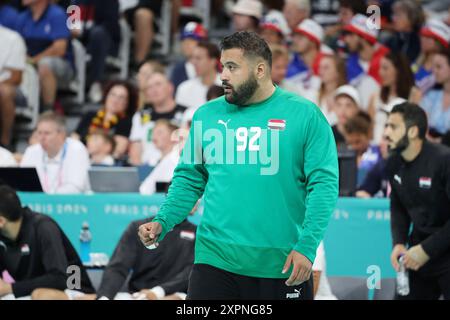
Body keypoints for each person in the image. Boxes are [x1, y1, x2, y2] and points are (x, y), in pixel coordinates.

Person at [138, 31, 339, 300]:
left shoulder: (305, 115)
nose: (224, 75)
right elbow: (189, 179)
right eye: (223, 66)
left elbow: (323, 185)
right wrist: (164, 220)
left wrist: (307, 246)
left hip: (282, 264)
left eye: (232, 67)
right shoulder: (207, 116)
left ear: (259, 70)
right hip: (215, 260)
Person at [385, 102, 450, 300]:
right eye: (386, 125)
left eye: (393, 127)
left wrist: (427, 250)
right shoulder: (393, 162)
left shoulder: (444, 160)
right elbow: (398, 206)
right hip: (417, 254)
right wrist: (398, 242)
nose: (386, 132)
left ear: (413, 131)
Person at [0, 185, 95, 300]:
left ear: (1, 221)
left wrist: (11, 288)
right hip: (30, 293)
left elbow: (59, 278)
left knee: (42, 296)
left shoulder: (44, 227)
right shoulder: (3, 237)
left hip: (74, 290)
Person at [15, 0, 73, 111]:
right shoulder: (21, 17)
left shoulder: (57, 14)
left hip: (61, 65)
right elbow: (16, 43)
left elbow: (60, 49)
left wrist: (33, 60)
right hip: (28, 62)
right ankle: (22, 107)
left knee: (45, 64)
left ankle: (48, 109)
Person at [21, 112, 90, 194]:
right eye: (39, 133)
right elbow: (23, 184)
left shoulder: (77, 149)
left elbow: (76, 187)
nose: (42, 138)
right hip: (38, 202)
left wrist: (48, 198)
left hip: (71, 203)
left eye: (47, 133)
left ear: (62, 135)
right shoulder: (31, 151)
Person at [129, 72, 186, 166]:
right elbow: (135, 151)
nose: (154, 90)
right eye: (149, 87)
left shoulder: (186, 113)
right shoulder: (141, 116)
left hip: (176, 169)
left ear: (170, 87)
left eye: (158, 84)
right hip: (147, 169)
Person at [70, 0, 121, 103]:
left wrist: (82, 32)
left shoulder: (109, 2)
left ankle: (96, 83)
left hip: (105, 42)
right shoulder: (74, 2)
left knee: (98, 34)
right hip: (81, 42)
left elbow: (110, 26)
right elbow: (73, 25)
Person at [73, 80, 138, 159]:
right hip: (79, 158)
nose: (115, 100)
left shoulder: (127, 122)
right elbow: (74, 139)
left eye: (121, 97)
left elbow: (118, 150)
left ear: (128, 103)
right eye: (113, 94)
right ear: (106, 96)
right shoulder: (89, 116)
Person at [368, 52, 420, 144]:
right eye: (380, 68)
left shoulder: (414, 94)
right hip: (378, 147)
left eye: (385, 68)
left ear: (399, 70)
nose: (380, 72)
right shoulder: (375, 96)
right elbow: (370, 129)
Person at [343, 13, 388, 109]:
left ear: (364, 37)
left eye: (350, 35)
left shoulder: (387, 59)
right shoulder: (351, 62)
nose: (346, 40)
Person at [175, 42, 221, 111]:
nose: (194, 62)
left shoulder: (227, 86)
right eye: (192, 58)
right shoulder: (184, 88)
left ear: (213, 61)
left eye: (198, 58)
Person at [0, 25, 26, 148]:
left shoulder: (12, 38)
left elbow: (16, 77)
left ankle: (6, 142)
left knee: (4, 91)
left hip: (8, 87)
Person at [140, 119, 179, 195]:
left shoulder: (178, 159)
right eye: (153, 133)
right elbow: (144, 189)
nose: (154, 136)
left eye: (159, 132)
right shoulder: (153, 161)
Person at [286, 19, 325, 94]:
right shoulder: (289, 63)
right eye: (295, 36)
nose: (294, 40)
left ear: (313, 42)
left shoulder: (326, 66)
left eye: (300, 37)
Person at [343, 111, 382, 187]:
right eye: (350, 143)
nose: (354, 146)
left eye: (358, 142)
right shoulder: (342, 155)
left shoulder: (379, 153)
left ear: (368, 135)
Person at [412, 19, 450, 94]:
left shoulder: (444, 67)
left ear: (439, 42)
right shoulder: (417, 62)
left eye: (428, 37)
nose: (423, 39)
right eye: (422, 36)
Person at [420, 47, 450, 139]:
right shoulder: (430, 95)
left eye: (439, 67)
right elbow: (421, 123)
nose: (434, 71)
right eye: (434, 67)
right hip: (430, 147)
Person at [170, 22, 208, 91]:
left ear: (203, 43)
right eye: (183, 40)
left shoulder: (212, 66)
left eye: (192, 40)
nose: (186, 44)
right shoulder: (177, 70)